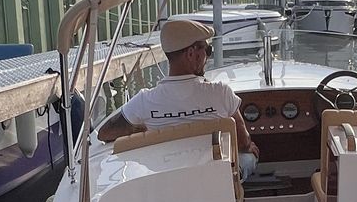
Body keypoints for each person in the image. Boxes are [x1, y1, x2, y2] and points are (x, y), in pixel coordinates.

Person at [98, 19, 260, 177]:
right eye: (207, 50)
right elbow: (243, 142)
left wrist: (143, 128)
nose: (208, 56)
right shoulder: (221, 93)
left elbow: (104, 134)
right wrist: (249, 147)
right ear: (191, 53)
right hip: (216, 181)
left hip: (169, 183)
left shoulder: (144, 101)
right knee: (248, 156)